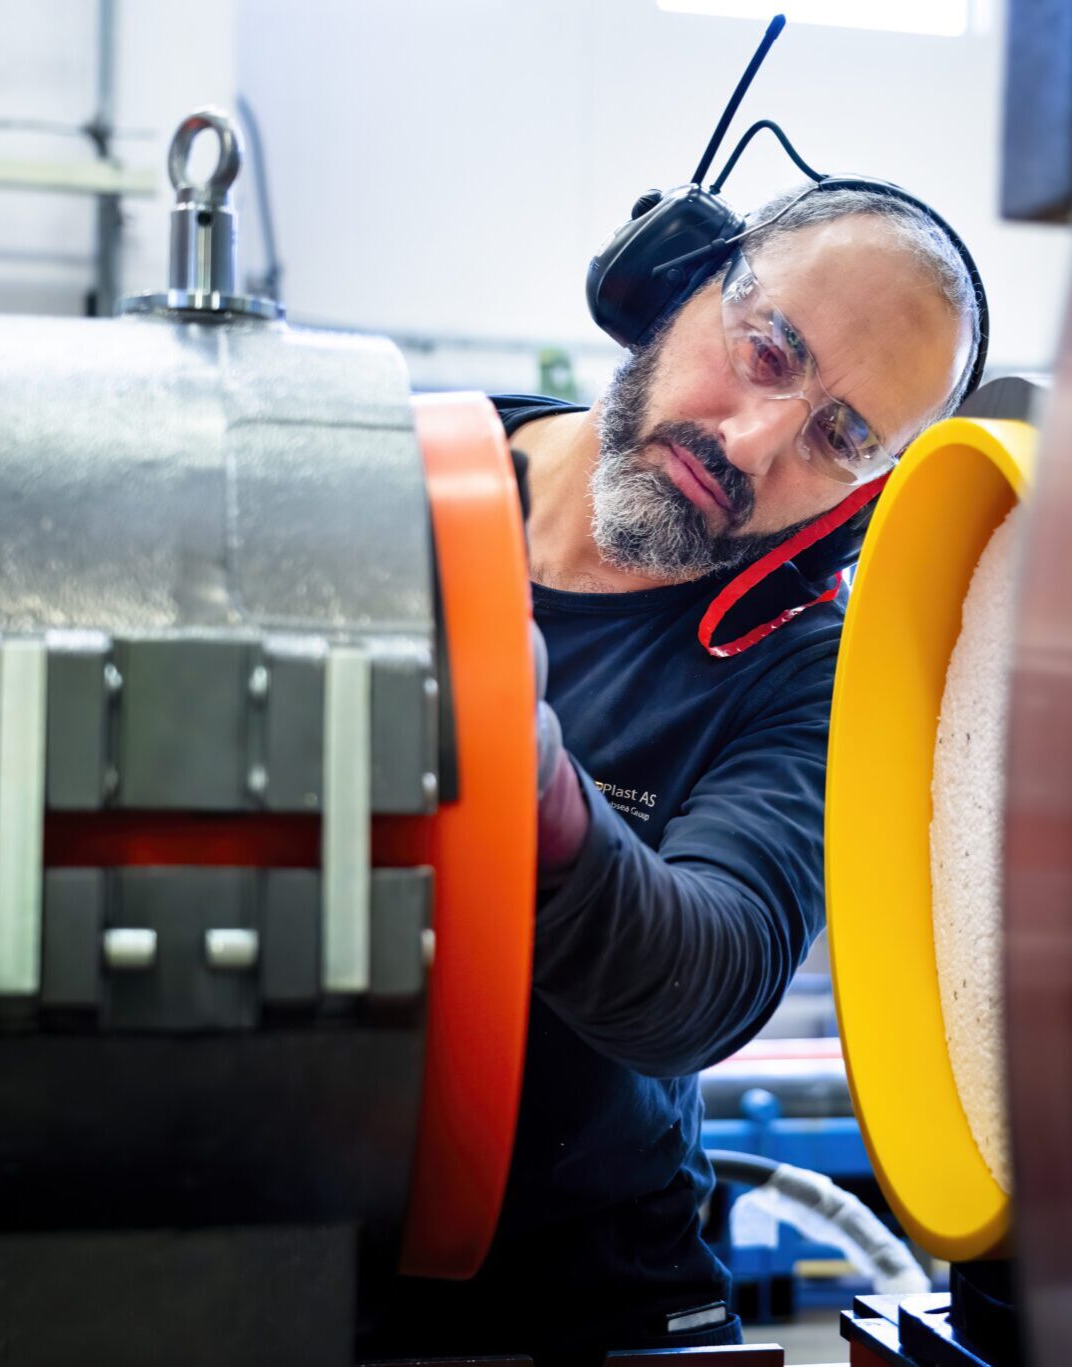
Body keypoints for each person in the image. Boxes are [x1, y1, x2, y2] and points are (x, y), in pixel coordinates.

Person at [365, 181, 982, 1365]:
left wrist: (522, 781)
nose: (754, 442)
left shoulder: (805, 674)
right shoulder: (382, 477)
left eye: (840, 436)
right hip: (246, 1204)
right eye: (769, 351)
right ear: (677, 276)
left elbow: (703, 978)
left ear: (864, 498)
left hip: (574, 1295)